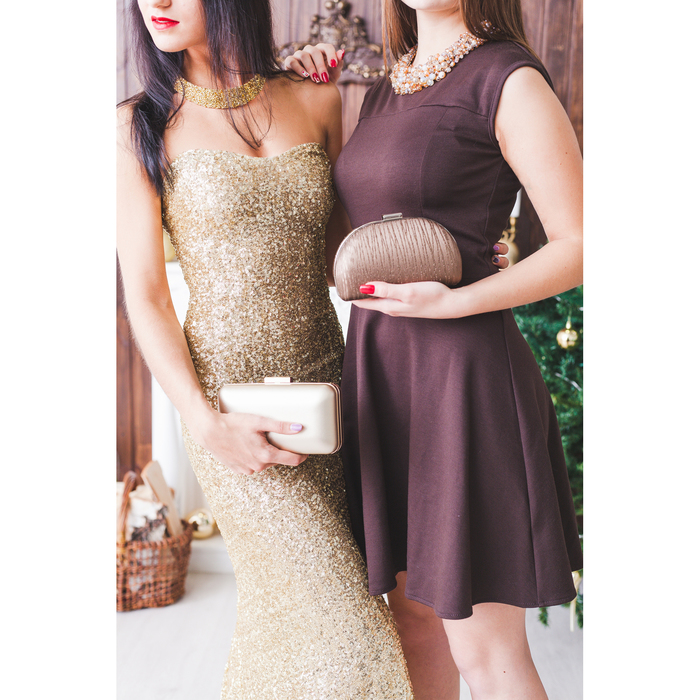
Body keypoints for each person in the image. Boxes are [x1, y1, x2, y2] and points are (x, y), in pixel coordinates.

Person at [116, 0, 419, 696]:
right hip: (228, 411)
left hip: (331, 395)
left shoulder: (316, 98)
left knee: (287, 623)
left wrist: (459, 250)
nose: (155, 3)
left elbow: (346, 257)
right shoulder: (138, 126)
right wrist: (205, 424)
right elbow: (147, 297)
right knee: (344, 631)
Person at [283, 1, 584, 698]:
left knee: (486, 651)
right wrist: (303, 95)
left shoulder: (508, 78)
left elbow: (579, 244)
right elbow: (350, 238)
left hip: (464, 379)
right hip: (382, 375)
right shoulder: (386, 87)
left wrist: (456, 301)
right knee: (414, 629)